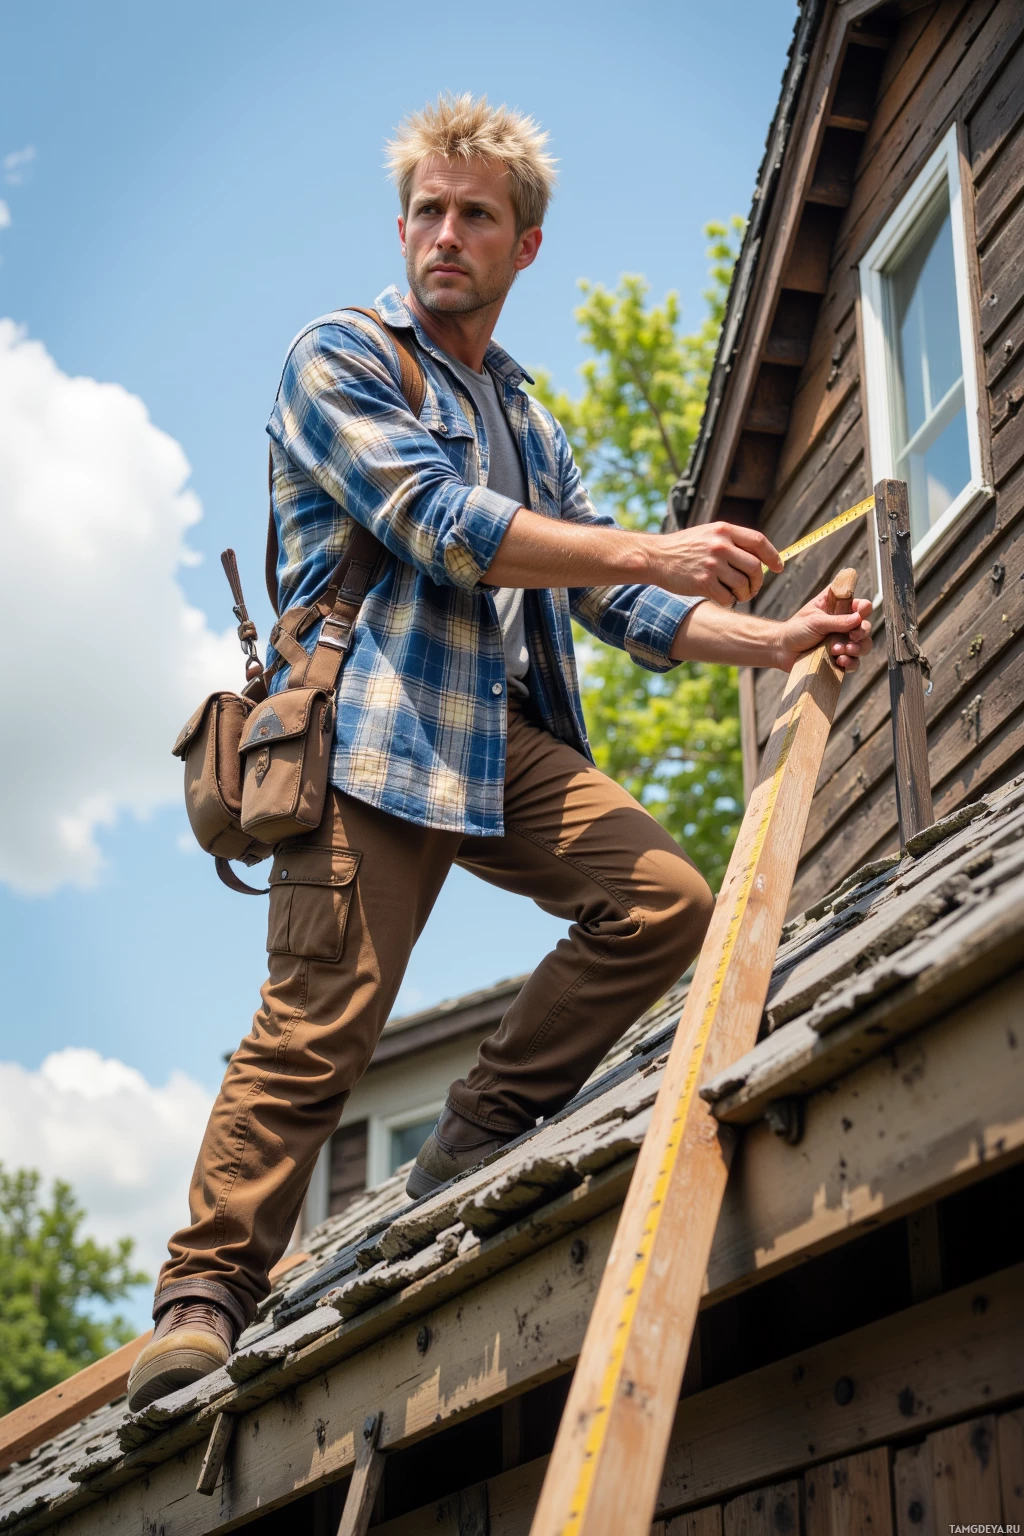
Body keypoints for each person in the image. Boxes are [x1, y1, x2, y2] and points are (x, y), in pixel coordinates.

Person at [127, 94, 872, 1411]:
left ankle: (473, 1132)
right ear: (402, 227)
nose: (445, 234)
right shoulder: (337, 356)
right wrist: (653, 546)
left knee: (665, 903)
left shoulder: (527, 416)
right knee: (318, 1029)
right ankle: (202, 1295)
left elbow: (614, 596)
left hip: (497, 738)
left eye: (476, 215)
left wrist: (775, 637)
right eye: (428, 210)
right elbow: (438, 521)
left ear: (525, 245)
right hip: (367, 738)